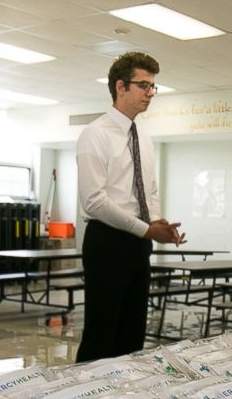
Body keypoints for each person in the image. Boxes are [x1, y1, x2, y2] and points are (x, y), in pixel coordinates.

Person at [76, 52, 185, 363]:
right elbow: (94, 201)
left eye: (153, 87)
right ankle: (87, 397)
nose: (150, 93)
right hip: (107, 240)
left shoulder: (143, 137)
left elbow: (149, 189)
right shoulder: (95, 134)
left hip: (139, 243)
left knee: (132, 330)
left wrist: (159, 223)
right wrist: (146, 229)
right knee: (102, 331)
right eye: (143, 85)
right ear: (120, 86)